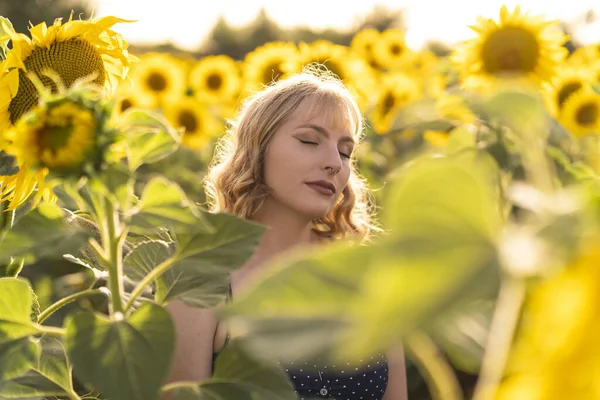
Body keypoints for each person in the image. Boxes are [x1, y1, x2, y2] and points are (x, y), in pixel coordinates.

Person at [165, 66, 408, 400]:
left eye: (345, 151)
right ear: (257, 147)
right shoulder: (200, 279)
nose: (334, 162)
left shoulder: (367, 272)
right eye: (309, 140)